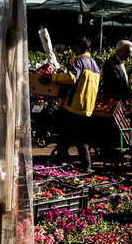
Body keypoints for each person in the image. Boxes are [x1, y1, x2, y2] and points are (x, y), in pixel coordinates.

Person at [39, 36, 100, 172]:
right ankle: (87, 167)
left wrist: (53, 77)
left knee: (63, 136)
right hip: (87, 109)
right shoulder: (95, 65)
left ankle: (60, 163)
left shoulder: (79, 61)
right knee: (82, 140)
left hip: (73, 106)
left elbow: (72, 77)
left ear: (78, 49)